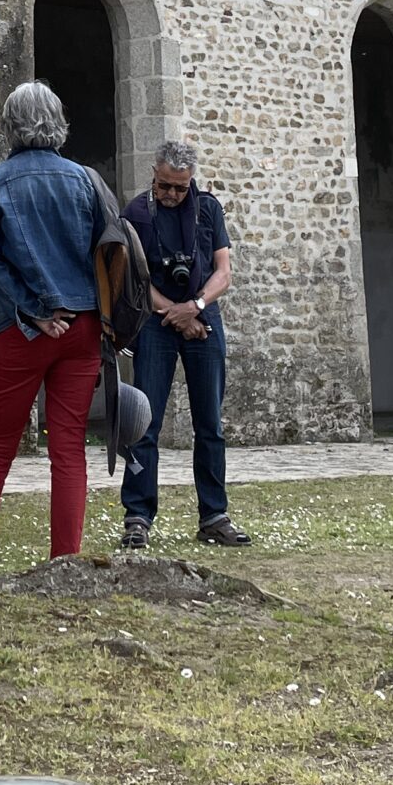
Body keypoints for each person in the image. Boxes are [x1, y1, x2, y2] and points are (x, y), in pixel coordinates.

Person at [0, 81, 107, 582]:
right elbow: (107, 252)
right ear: (57, 120)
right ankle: (65, 565)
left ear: (10, 124)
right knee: (69, 449)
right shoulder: (85, 179)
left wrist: (32, 310)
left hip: (23, 331)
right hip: (81, 327)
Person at [120, 139, 249, 549]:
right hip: (156, 319)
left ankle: (214, 514)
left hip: (202, 315)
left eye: (180, 187)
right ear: (153, 177)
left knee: (209, 423)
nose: (172, 195)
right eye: (165, 186)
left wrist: (193, 307)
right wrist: (174, 313)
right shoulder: (136, 214)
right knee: (145, 422)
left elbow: (223, 272)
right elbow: (134, 278)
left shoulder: (209, 209)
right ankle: (137, 515)